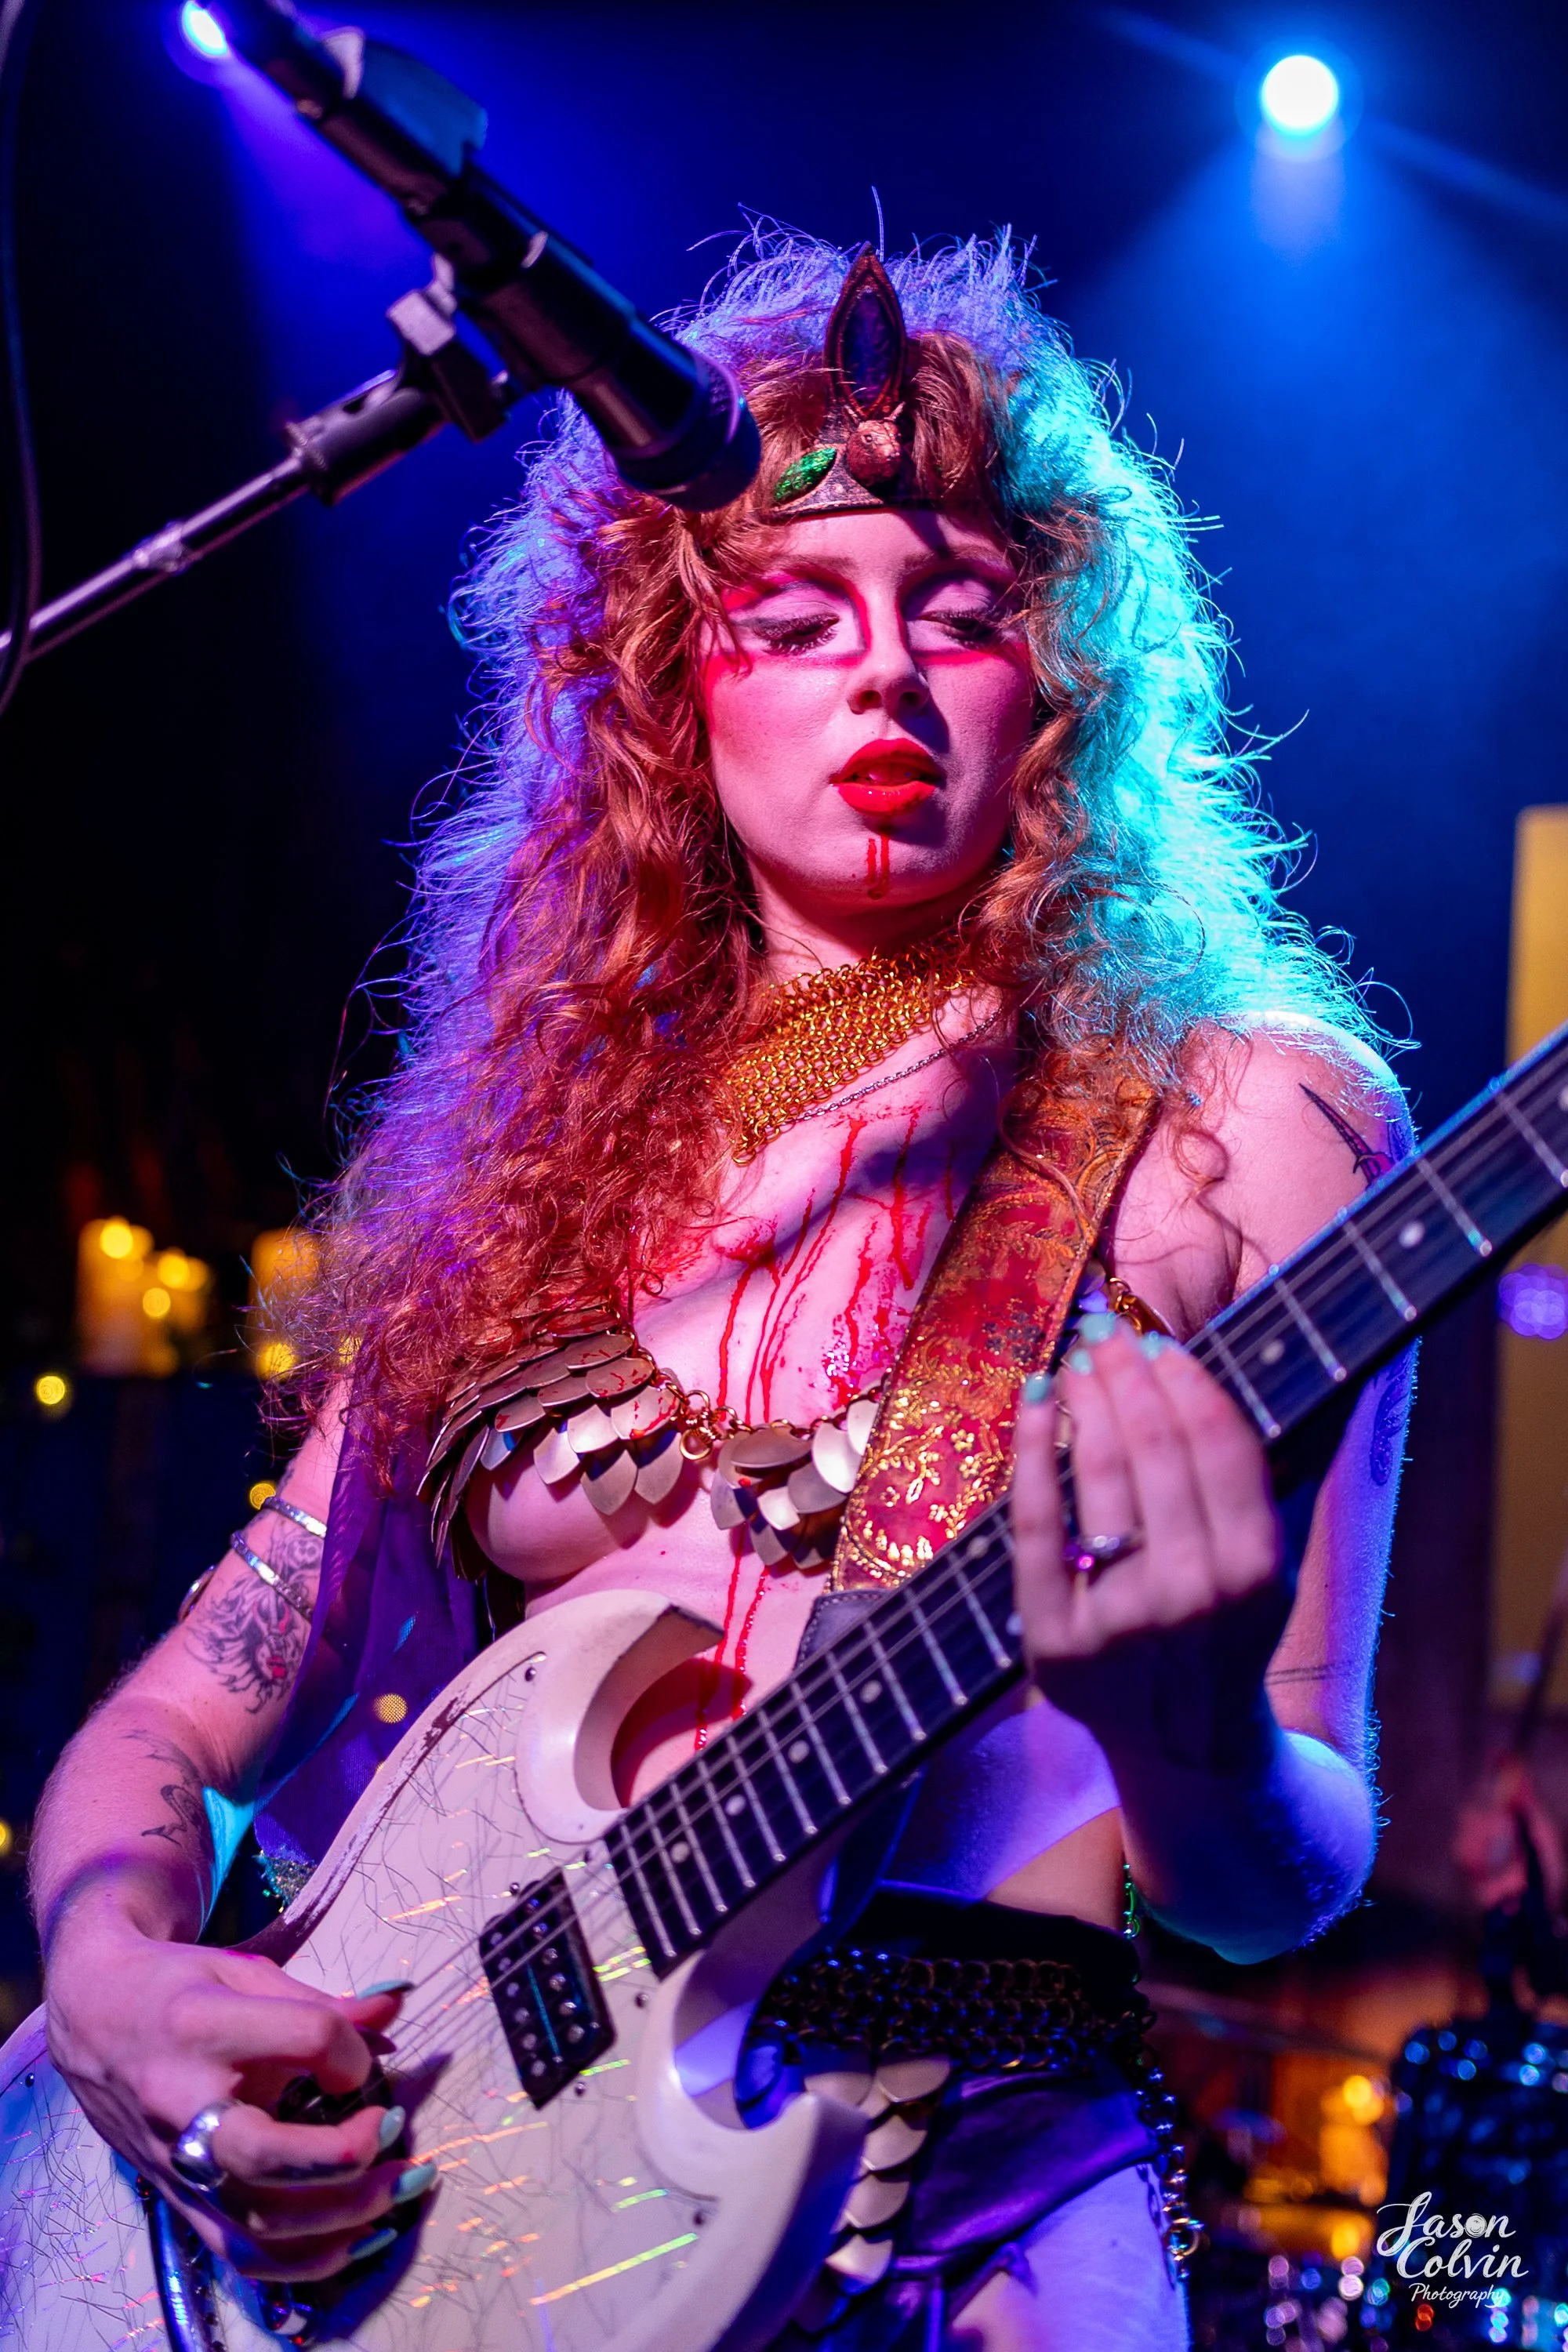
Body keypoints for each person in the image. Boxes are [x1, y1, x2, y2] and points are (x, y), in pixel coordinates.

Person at [27, 236, 1412, 2350]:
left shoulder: (1233, 1114)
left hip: (954, 2225)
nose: (886, 675)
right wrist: (113, 1969)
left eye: (965, 614)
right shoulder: (535, 1158)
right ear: (670, 685)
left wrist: (1188, 1725)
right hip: (443, 2215)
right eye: (795, 617)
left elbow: (1271, 1882)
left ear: (1062, 681)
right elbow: (200, 1702)